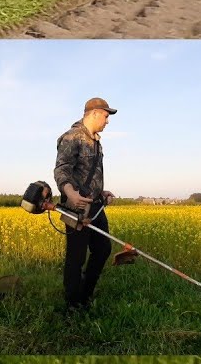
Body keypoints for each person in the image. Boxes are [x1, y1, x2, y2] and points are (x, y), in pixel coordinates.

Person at [53, 97, 118, 311]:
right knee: (76, 256)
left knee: (103, 249)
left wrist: (101, 192)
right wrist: (71, 194)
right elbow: (61, 169)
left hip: (96, 205)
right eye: (106, 116)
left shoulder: (96, 141)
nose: (107, 121)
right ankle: (72, 303)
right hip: (76, 206)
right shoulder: (72, 137)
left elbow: (90, 174)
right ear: (94, 113)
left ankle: (86, 292)